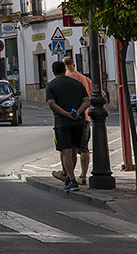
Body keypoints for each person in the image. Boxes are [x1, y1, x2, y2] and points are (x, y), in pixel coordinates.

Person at [45, 59, 88, 192]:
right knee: (75, 150)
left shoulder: (51, 85)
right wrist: (77, 113)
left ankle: (71, 179)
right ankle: (70, 178)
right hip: (79, 122)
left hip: (62, 123)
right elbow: (87, 101)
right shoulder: (77, 83)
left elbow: (51, 104)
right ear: (64, 69)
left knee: (66, 151)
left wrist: (66, 114)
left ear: (53, 71)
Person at [63, 58, 93, 183]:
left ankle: (69, 175)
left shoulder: (66, 78)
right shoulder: (85, 78)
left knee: (70, 149)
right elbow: (96, 93)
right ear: (73, 65)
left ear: (65, 67)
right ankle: (83, 175)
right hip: (85, 117)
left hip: (71, 118)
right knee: (84, 148)